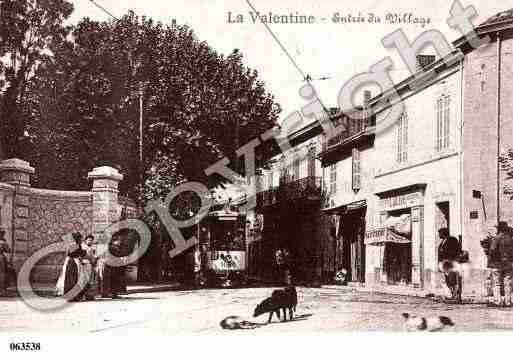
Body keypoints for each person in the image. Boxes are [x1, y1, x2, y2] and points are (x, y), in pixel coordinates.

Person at [488, 221, 513, 307]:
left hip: (497, 263)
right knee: (508, 282)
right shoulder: (510, 239)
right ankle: (508, 301)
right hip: (509, 263)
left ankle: (497, 301)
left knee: (496, 282)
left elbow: (492, 250)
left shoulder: (497, 238)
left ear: (499, 229)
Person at [59, 232, 87, 302]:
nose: (81, 239)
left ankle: (72, 296)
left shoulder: (74, 245)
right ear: (77, 238)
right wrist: (83, 253)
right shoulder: (75, 245)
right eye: (80, 238)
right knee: (74, 279)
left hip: (72, 262)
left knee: (72, 279)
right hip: (73, 263)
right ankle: (74, 296)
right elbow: (75, 254)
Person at [437, 228, 462, 302]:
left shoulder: (452, 240)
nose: (439, 235)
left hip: (450, 262)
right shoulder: (443, 241)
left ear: (443, 233)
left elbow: (455, 250)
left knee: (452, 279)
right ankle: (452, 294)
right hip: (445, 263)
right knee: (447, 279)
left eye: (440, 233)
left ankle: (456, 295)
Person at [81, 235, 98, 300]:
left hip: (88, 265)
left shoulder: (88, 247)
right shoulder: (86, 248)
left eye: (91, 240)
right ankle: (87, 295)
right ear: (85, 240)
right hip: (86, 265)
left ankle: (88, 295)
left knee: (89, 280)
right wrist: (95, 259)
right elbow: (91, 258)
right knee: (87, 280)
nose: (90, 241)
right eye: (89, 240)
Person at [0, 228, 11, 296]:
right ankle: (2, 290)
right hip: (1, 258)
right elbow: (8, 250)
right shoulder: (3, 243)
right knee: (2, 274)